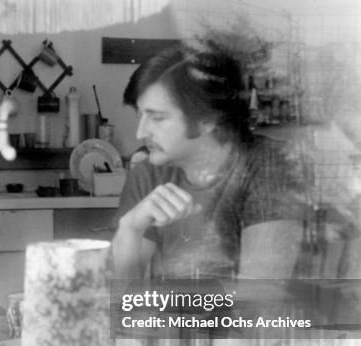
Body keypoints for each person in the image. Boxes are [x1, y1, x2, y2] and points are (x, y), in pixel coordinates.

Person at [112, 46, 308, 280]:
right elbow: (119, 294)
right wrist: (130, 228)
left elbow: (259, 302)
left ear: (206, 119)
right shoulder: (148, 172)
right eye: (140, 115)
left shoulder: (267, 165)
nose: (140, 133)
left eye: (157, 118)